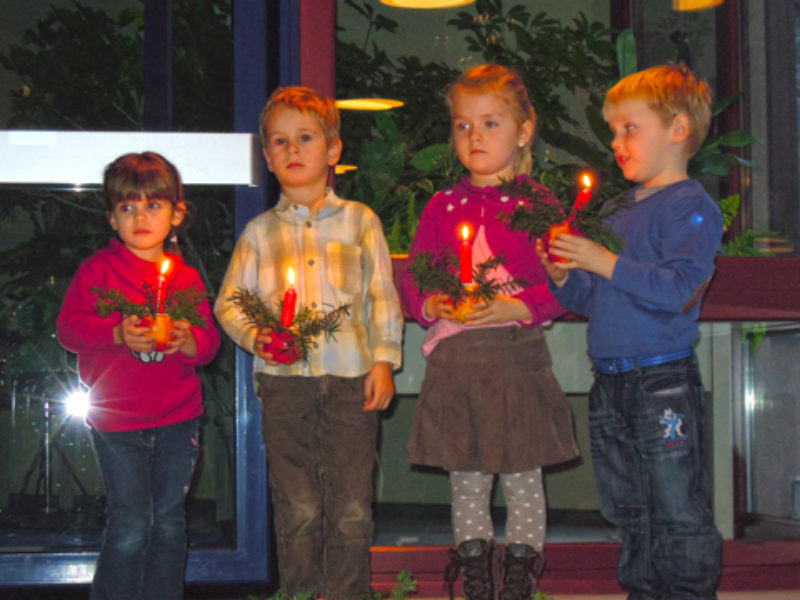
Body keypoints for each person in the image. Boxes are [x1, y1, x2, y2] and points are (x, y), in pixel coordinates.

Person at [539, 63, 724, 600]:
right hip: (611, 383)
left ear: (678, 129)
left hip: (661, 381)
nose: (617, 142)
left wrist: (601, 261)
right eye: (613, 130)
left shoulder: (691, 207)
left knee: (677, 509)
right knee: (628, 509)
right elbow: (590, 300)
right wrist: (564, 276)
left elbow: (676, 287)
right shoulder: (617, 209)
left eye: (629, 128)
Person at [214, 86, 403, 600]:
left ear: (333, 149)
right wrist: (260, 339)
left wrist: (384, 361)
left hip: (350, 383)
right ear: (268, 157)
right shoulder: (259, 232)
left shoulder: (361, 222)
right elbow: (229, 303)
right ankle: (297, 592)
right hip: (284, 387)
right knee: (296, 504)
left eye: (305, 138)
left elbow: (382, 298)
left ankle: (347, 594)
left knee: (350, 506)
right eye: (280, 141)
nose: (293, 150)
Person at [400, 64, 579, 600]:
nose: (474, 137)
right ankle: (476, 579)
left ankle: (521, 581)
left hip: (517, 359)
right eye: (462, 125)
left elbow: (563, 289)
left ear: (523, 130)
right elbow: (415, 277)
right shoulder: (441, 206)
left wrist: (515, 307)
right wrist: (429, 301)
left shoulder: (540, 206)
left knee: (524, 478)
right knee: (467, 478)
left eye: (490, 123)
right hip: (458, 366)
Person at [57, 151, 221, 600]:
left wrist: (187, 339)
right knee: (130, 525)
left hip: (177, 419)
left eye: (153, 205)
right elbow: (69, 327)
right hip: (118, 423)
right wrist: (116, 332)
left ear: (176, 214)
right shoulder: (98, 271)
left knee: (168, 523)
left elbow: (208, 346)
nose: (140, 216)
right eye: (128, 207)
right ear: (112, 218)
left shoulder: (184, 278)